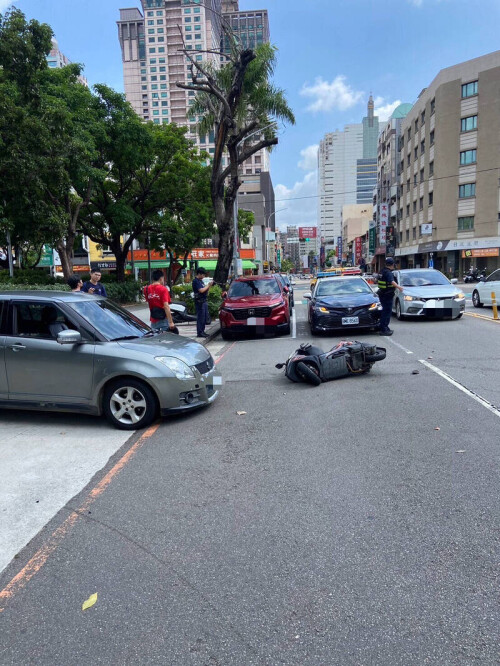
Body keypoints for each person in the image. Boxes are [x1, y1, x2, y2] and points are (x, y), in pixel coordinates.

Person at [377, 257, 404, 336]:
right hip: (387, 294)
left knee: (385, 311)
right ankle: (384, 329)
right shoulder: (388, 273)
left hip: (382, 293)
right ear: (392, 264)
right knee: (387, 312)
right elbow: (391, 281)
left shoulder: (382, 271)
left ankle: (385, 327)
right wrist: (399, 287)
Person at [192, 267, 213, 338]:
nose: (204, 276)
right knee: (200, 317)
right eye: (203, 275)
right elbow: (201, 290)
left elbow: (205, 290)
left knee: (204, 317)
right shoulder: (196, 281)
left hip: (204, 300)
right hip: (199, 302)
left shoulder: (201, 281)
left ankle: (202, 331)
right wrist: (208, 285)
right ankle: (200, 332)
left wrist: (209, 287)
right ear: (199, 274)